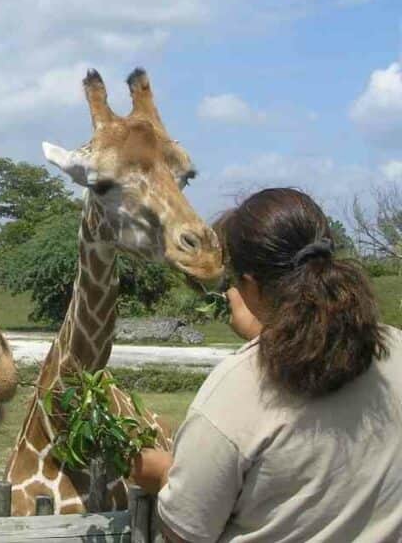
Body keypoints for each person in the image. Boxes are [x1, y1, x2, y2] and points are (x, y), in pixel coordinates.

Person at [130, 188, 402, 542]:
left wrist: (164, 474)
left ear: (250, 285)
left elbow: (185, 532)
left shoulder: (233, 393)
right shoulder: (393, 347)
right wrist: (265, 334)